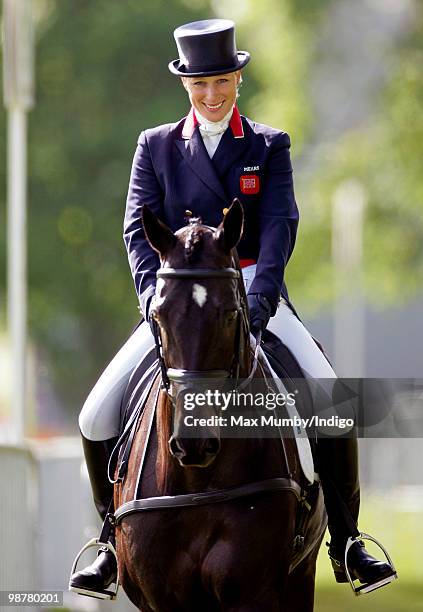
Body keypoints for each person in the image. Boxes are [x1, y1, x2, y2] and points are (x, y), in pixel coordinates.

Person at [70, 18, 395, 599]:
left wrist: (260, 302)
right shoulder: (156, 147)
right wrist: (154, 302)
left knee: (332, 400)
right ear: (185, 87)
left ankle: (348, 538)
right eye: (201, 86)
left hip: (252, 296)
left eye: (222, 82)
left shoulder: (268, 146)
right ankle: (106, 542)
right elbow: (136, 233)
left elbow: (278, 230)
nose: (213, 96)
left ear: (238, 79)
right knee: (95, 413)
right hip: (177, 304)